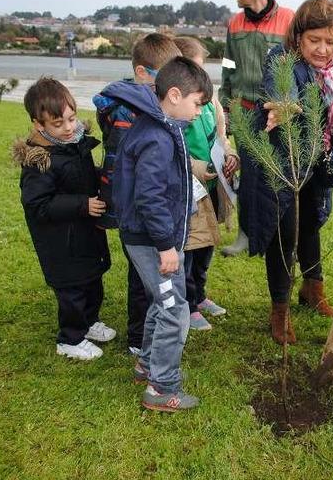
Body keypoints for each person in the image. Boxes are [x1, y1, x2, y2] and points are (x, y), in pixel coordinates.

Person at [245, 0, 333, 344]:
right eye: (315, 40)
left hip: (319, 163)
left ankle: (313, 290)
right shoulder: (281, 59)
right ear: (298, 36)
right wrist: (287, 107)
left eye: (331, 41)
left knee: (311, 223)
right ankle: (279, 310)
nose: (324, 49)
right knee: (284, 233)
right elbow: (281, 94)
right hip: (284, 161)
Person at [110, 57, 213, 412]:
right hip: (154, 241)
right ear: (173, 95)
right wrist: (166, 245)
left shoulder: (165, 127)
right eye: (198, 102)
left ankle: (147, 364)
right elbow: (149, 196)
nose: (200, 111)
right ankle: (161, 387)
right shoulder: (156, 136)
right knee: (174, 310)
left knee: (163, 301)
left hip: (156, 238)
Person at [13, 77, 114, 360]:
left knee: (93, 281)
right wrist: (82, 205)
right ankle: (70, 339)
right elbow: (37, 204)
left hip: (85, 233)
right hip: (61, 242)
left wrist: (101, 176)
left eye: (71, 118)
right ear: (38, 124)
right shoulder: (39, 161)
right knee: (73, 290)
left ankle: (89, 322)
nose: (69, 127)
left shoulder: (74, 144)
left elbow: (79, 177)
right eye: (58, 124)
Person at [93, 33, 181, 355]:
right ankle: (138, 338)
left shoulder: (144, 110)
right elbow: (128, 172)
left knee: (144, 274)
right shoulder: (129, 114)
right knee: (141, 277)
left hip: (140, 209)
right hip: (134, 212)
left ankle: (144, 332)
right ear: (142, 73)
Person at [219, 0, 295, 257]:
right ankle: (246, 235)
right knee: (250, 177)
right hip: (245, 110)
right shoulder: (235, 22)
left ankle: (276, 236)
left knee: (278, 175)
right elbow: (228, 63)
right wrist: (225, 99)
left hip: (278, 112)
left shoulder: (289, 19)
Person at [173, 36, 241, 330]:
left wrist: (230, 154)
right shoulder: (174, 107)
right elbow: (171, 151)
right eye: (193, 69)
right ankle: (187, 304)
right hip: (190, 189)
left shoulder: (211, 100)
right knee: (190, 247)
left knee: (207, 244)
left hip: (214, 187)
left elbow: (221, 135)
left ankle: (199, 295)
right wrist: (197, 168)